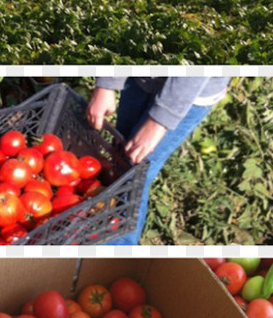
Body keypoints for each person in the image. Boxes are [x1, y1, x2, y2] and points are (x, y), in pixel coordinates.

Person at [86, 77, 230, 245]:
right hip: (140, 78)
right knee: (120, 159)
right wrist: (107, 83)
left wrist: (160, 120)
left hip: (187, 93)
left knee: (135, 176)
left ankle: (119, 252)